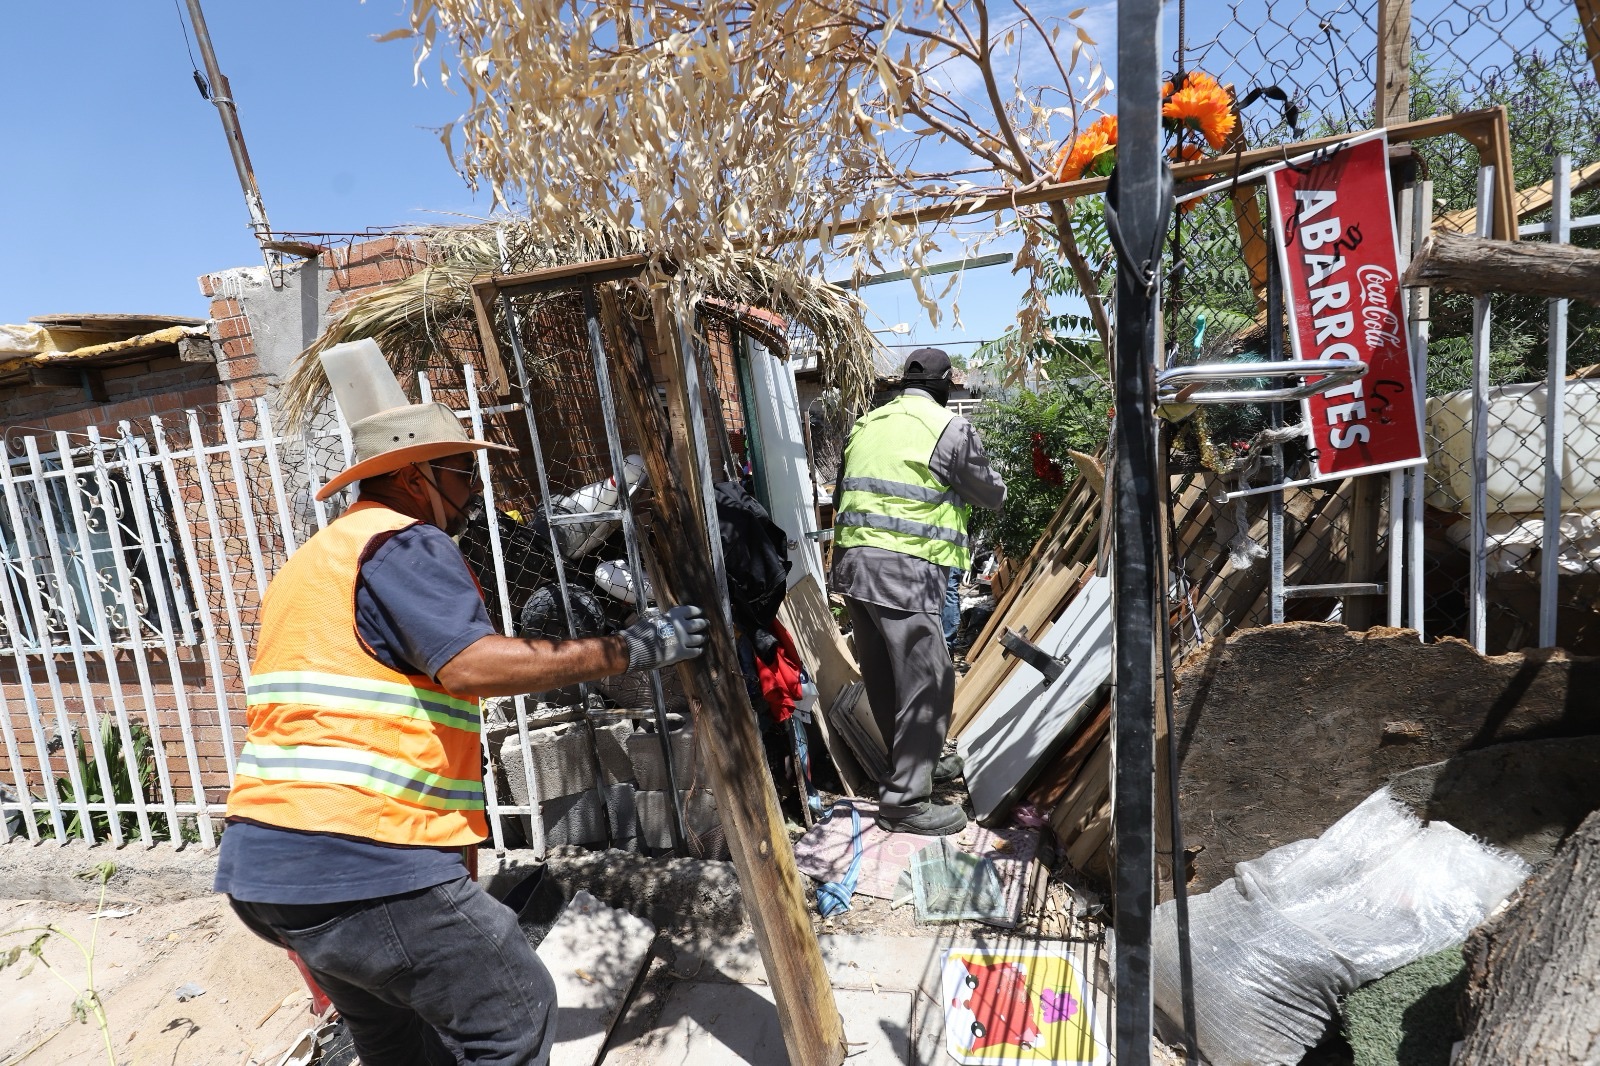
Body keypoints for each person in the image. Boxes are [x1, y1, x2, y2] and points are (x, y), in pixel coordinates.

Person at [215, 344, 708, 1066]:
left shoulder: (316, 561)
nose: (475, 489)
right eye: (461, 472)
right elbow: (470, 664)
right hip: (360, 855)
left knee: (398, 1039)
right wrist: (626, 649)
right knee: (514, 1012)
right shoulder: (402, 541)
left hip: (267, 864)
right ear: (413, 476)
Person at [830, 348, 1006, 836]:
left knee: (887, 678)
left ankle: (913, 765)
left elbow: (845, 491)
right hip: (904, 571)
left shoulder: (867, 424)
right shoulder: (947, 427)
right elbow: (989, 493)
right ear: (946, 384)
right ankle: (906, 802)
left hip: (854, 569)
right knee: (929, 680)